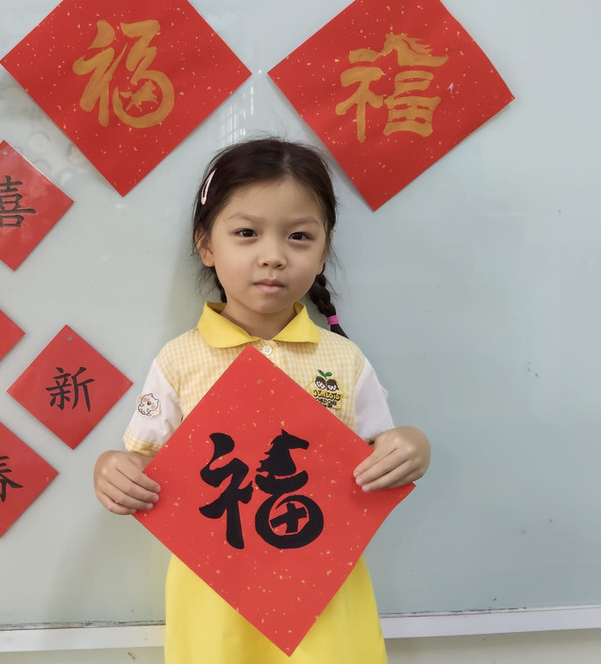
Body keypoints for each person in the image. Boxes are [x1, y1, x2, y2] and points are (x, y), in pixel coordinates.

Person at [93, 137, 430, 663]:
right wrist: (114, 469)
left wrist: (413, 446)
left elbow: (384, 447)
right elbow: (143, 461)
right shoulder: (182, 359)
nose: (272, 256)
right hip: (215, 587)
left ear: (323, 249)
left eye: (299, 236)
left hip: (323, 580)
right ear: (207, 245)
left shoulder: (342, 359)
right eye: (246, 233)